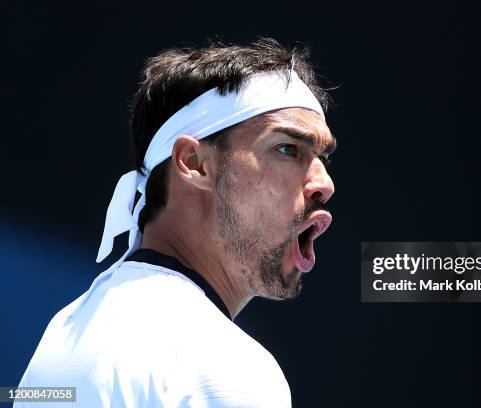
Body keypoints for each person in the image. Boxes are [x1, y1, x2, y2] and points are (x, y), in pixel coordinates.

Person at [15, 38, 336, 407]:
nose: (324, 184)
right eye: (287, 149)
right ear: (195, 163)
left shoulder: (66, 329)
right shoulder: (227, 370)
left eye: (321, 157)